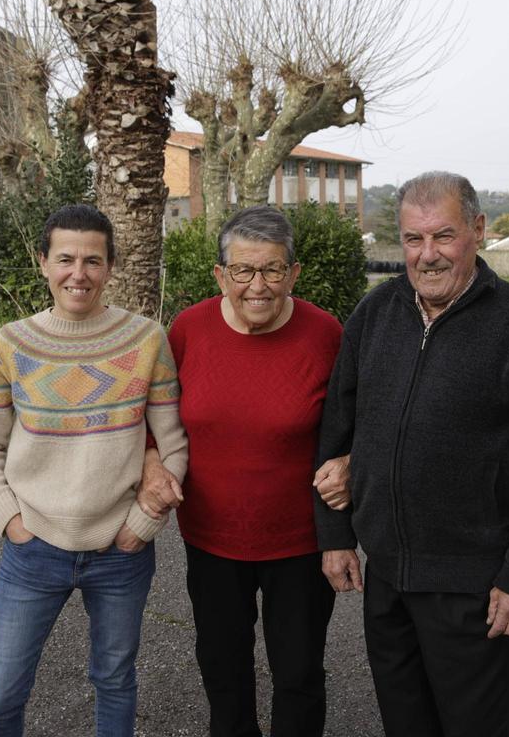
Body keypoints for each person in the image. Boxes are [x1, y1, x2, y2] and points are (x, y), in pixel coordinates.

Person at [314, 172, 509, 736]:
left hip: (477, 590)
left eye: (443, 236)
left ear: (477, 231)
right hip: (388, 583)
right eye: (413, 239)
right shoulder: (376, 313)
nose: (427, 255)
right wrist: (336, 535)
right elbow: (336, 431)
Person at [0, 204, 188, 737]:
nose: (78, 273)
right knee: (1, 695)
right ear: (43, 262)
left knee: (114, 681)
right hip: (33, 546)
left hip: (121, 551)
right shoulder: (10, 344)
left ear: (110, 267)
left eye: (92, 260)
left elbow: (174, 442)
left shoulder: (146, 340)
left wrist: (142, 525)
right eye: (65, 259)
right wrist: (9, 519)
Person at [141, 206, 349, 737]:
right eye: (243, 271)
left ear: (294, 274)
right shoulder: (188, 329)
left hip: (299, 542)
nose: (258, 286)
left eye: (273, 271)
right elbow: (155, 415)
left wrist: (353, 464)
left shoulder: (326, 334)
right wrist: (149, 463)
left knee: (299, 672)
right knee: (222, 667)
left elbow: (357, 425)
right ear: (220, 275)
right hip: (211, 539)